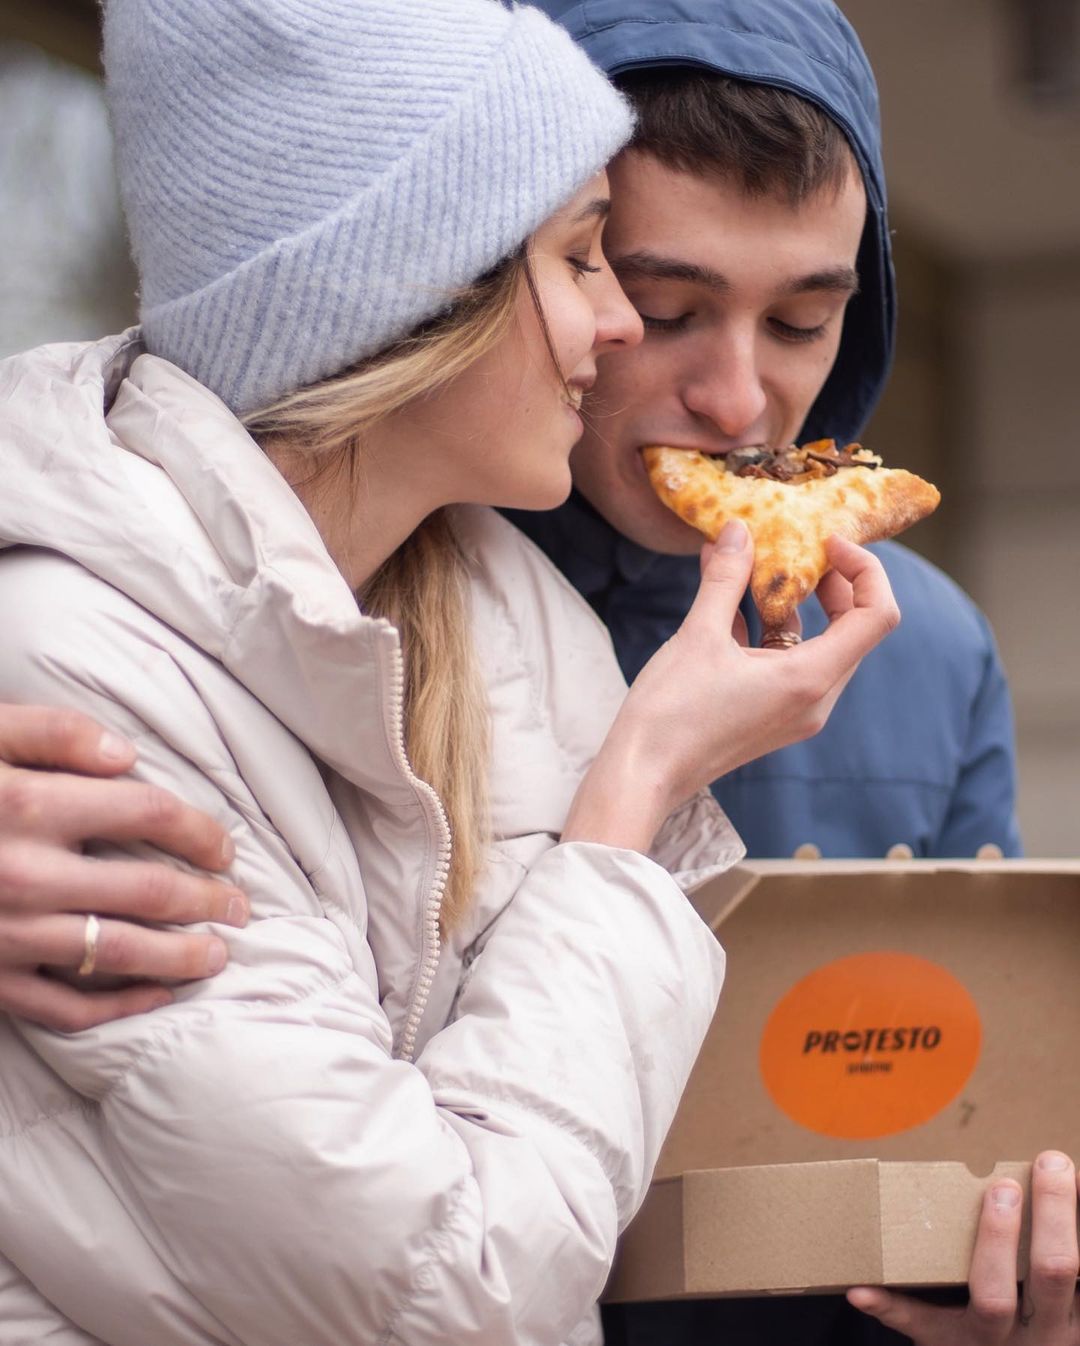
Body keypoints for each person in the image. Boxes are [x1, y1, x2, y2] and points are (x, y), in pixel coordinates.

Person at [0, 1, 898, 1342]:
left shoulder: (498, 611)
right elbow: (449, 1290)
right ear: (415, 293)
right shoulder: (86, 685)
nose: (619, 342)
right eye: (603, 270)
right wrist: (643, 774)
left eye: (800, 322)